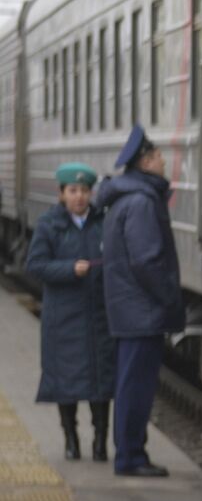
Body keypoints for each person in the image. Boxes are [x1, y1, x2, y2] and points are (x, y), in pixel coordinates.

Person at [93, 125, 184, 477]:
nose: (164, 161)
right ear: (146, 162)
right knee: (136, 387)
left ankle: (131, 452)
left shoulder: (128, 198)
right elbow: (146, 260)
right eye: (159, 156)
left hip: (131, 308)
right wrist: (168, 298)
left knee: (132, 383)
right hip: (141, 310)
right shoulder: (142, 202)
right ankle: (130, 456)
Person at [25, 163, 115, 461]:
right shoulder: (49, 225)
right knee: (66, 384)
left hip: (97, 316)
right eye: (73, 191)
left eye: (85, 191)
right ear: (61, 193)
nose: (79, 197)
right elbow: (35, 265)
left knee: (101, 384)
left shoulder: (103, 223)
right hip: (63, 320)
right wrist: (68, 269)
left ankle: (101, 442)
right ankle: (71, 440)